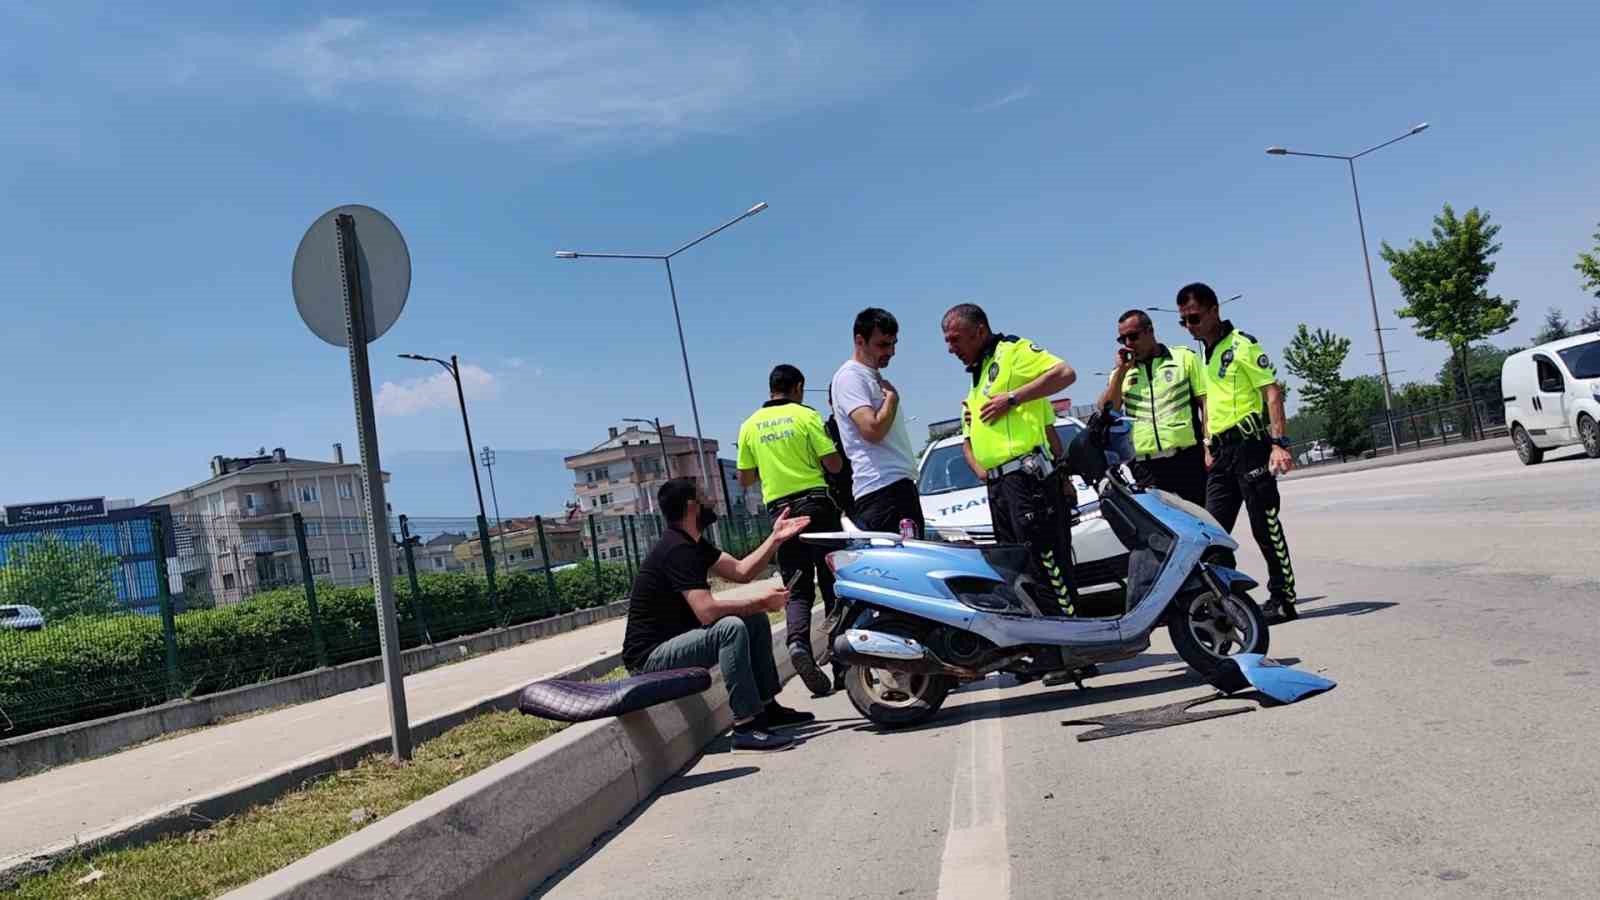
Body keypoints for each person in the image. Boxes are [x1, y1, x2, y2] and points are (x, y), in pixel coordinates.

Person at [621, 478, 816, 752]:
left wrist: (775, 539)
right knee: (731, 628)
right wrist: (761, 600)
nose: (711, 500)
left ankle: (766, 708)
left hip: (673, 643)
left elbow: (741, 571)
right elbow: (707, 611)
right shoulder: (677, 550)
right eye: (704, 496)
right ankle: (746, 726)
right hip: (649, 658)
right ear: (692, 506)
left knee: (754, 620)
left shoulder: (695, 544)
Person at [942, 303, 1079, 617]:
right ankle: (1045, 647)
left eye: (955, 339)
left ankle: (1072, 650)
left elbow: (1065, 373)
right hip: (1000, 486)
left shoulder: (1012, 352)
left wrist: (1013, 398)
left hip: (1026, 481)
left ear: (979, 331)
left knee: (1047, 567)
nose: (951, 349)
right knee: (1020, 573)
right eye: (947, 342)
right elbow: (970, 440)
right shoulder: (978, 376)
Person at [1177, 282, 1300, 621]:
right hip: (1221, 454)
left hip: (1250, 448)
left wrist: (1279, 443)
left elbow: (1272, 393)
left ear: (1215, 310)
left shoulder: (1242, 345)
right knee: (1211, 532)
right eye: (1184, 321)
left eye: (1195, 318)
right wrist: (1206, 445)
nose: (1190, 326)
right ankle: (1222, 602)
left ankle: (1283, 598)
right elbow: (1208, 405)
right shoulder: (1205, 354)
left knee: (1265, 525)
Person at [736, 364, 846, 697]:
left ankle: (798, 643)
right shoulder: (805, 416)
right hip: (817, 506)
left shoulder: (749, 426)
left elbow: (744, 479)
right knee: (832, 582)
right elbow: (834, 464)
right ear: (797, 387)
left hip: (782, 516)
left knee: (797, 587)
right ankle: (843, 663)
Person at [830, 308, 925, 538]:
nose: (891, 351)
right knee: (903, 570)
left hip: (896, 488)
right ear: (859, 341)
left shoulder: (870, 376)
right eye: (883, 345)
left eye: (893, 344)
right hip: (882, 491)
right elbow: (871, 430)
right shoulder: (850, 377)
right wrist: (891, 400)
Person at [1098, 309, 1209, 506]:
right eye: (1122, 339)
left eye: (1133, 336)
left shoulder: (1184, 358)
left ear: (1150, 331)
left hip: (1187, 459)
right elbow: (1107, 410)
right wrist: (1121, 372)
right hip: (1146, 467)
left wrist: (1209, 446)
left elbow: (1206, 403)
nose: (1128, 344)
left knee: (1205, 524)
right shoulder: (1121, 373)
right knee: (1163, 532)